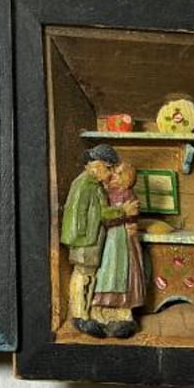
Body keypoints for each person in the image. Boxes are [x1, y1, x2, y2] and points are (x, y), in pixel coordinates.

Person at [60, 144, 137, 337]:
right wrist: (123, 211)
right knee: (83, 276)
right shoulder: (85, 185)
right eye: (108, 168)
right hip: (86, 240)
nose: (110, 174)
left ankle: (85, 314)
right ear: (97, 165)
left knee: (88, 277)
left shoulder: (92, 184)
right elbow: (97, 214)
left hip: (89, 239)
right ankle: (80, 315)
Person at [90, 161, 145, 338]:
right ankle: (101, 307)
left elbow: (132, 216)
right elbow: (105, 217)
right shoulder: (105, 192)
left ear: (128, 178)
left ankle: (122, 309)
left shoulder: (127, 194)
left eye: (120, 173)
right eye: (113, 172)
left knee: (124, 272)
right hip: (110, 238)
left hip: (123, 239)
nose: (114, 176)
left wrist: (130, 221)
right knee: (107, 271)